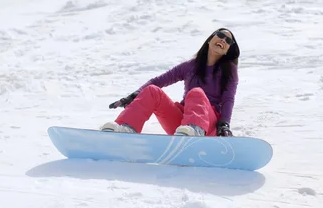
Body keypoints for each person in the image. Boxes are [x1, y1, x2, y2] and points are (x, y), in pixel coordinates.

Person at [100, 28, 240, 137]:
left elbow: (228, 99)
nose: (223, 40)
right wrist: (134, 95)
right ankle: (126, 128)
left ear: (228, 50)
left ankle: (195, 131)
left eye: (228, 41)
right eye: (220, 35)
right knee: (152, 90)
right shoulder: (190, 66)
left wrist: (224, 124)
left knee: (196, 92)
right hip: (182, 126)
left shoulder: (229, 71)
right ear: (210, 40)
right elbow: (158, 81)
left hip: (208, 126)